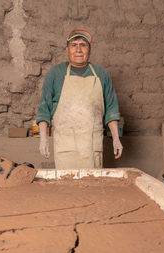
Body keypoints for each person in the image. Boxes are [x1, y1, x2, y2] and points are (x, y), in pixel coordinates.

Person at [36, 29, 123, 169]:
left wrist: (116, 139)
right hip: (66, 144)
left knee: (92, 186)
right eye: (74, 45)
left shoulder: (101, 74)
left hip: (92, 144)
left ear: (89, 50)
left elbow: (111, 110)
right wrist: (43, 139)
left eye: (83, 45)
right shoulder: (55, 73)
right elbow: (44, 110)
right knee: (66, 186)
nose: (78, 49)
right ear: (67, 50)